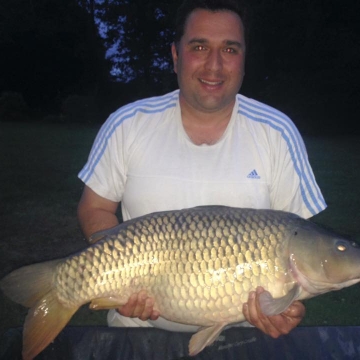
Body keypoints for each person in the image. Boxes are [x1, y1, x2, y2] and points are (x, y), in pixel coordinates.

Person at [77, 0, 326, 339]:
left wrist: (285, 309)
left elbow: (300, 246)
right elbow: (95, 206)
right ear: (176, 56)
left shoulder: (277, 133)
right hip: (137, 332)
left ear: (243, 59)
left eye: (229, 49)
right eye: (199, 47)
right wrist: (116, 275)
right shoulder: (128, 124)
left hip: (243, 334)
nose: (215, 65)